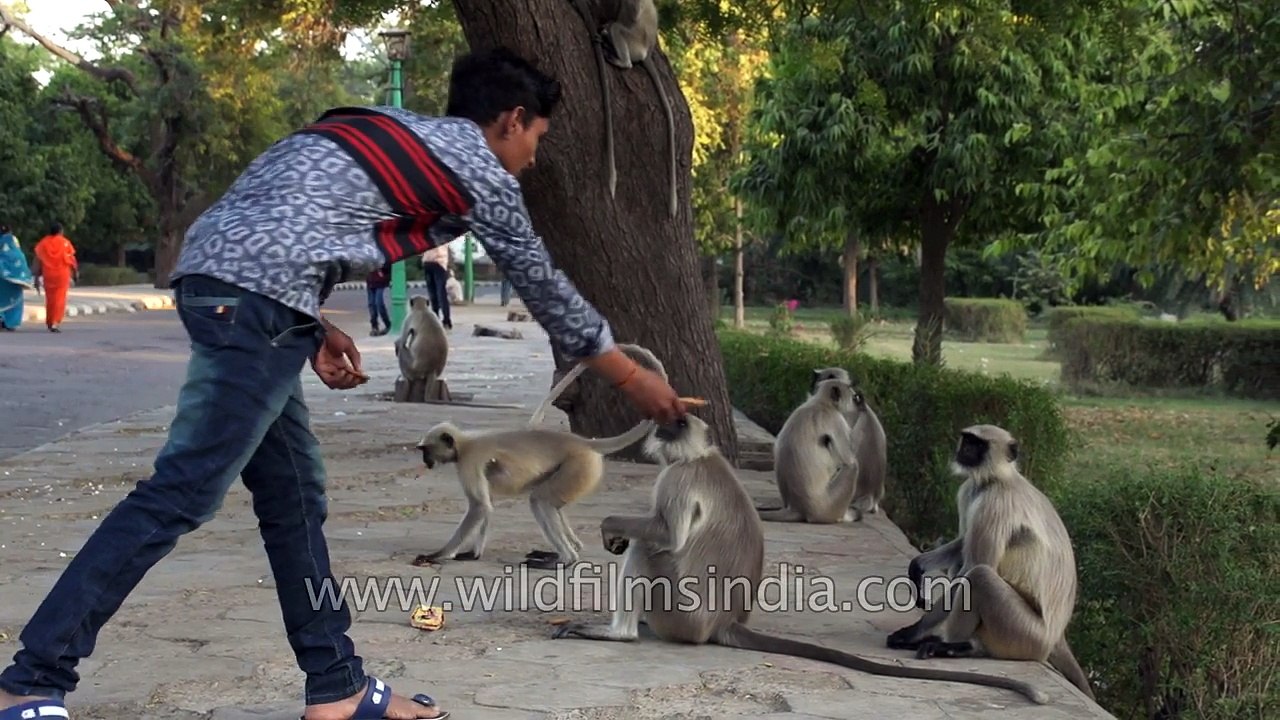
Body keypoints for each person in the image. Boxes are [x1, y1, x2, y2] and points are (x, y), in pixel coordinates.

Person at [0, 46, 686, 720]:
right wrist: (634, 382)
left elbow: (279, 215)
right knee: (182, 491)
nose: (533, 155)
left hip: (238, 286)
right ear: (511, 119)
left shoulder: (368, 128)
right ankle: (32, 678)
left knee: (296, 498)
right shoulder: (478, 167)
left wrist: (315, 322)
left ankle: (337, 686)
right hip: (257, 301)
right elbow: (547, 290)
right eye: (536, 136)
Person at [30, 223, 78, 333]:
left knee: (50, 299)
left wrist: (36, 278)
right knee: (59, 299)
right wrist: (75, 273)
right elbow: (72, 260)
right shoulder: (65, 243)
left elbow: (38, 261)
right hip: (62, 275)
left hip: (48, 275)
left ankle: (50, 321)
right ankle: (55, 322)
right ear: (60, 231)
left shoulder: (43, 243)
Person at [0, 224, 34, 331]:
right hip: (15, 275)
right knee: (15, 299)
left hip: (2, 274)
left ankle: (2, 319)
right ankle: (11, 323)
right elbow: (18, 257)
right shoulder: (13, 240)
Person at [420, 242, 453, 329]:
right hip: (435, 263)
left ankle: (441, 319)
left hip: (435, 262)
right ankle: (443, 320)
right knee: (438, 293)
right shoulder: (441, 233)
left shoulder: (434, 233)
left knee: (437, 293)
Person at [365, 262, 392, 336]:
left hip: (380, 282)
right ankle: (374, 326)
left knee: (379, 304)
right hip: (371, 282)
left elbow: (388, 265)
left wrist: (382, 272)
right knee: (372, 305)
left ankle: (388, 324)